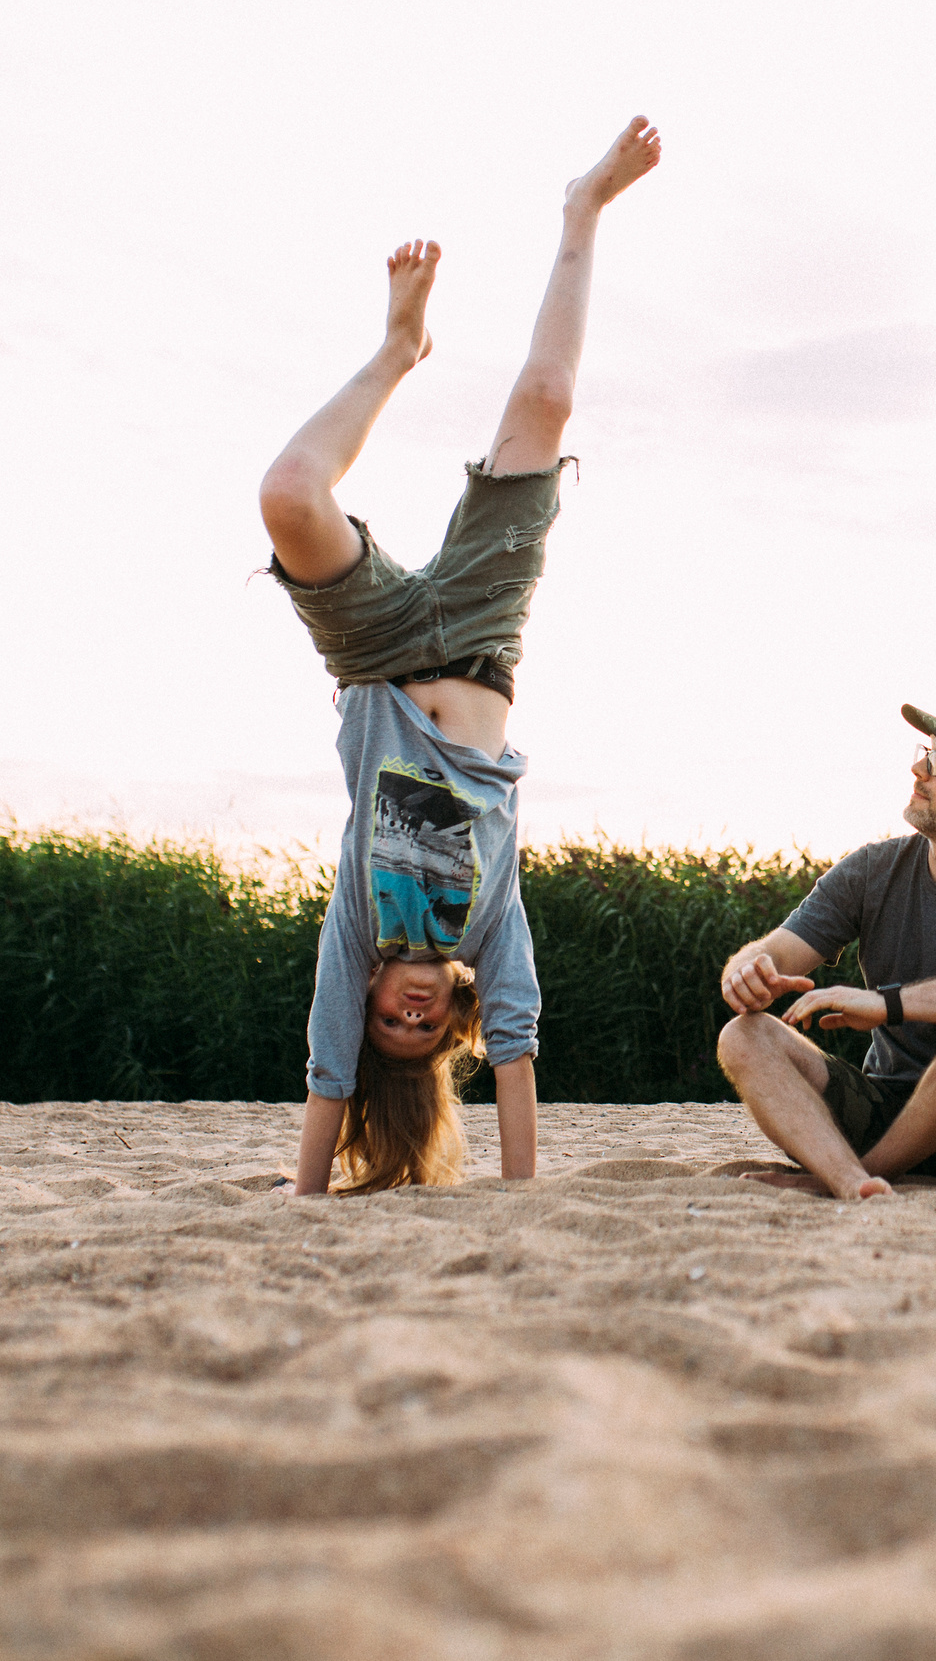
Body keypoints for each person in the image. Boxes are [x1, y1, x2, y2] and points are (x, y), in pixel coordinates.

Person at [258, 117, 661, 1194]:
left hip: (379, 655)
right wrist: (519, 1197)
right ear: (447, 1025)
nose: (405, 1014)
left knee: (289, 494)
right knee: (544, 404)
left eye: (386, 1019)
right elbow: (520, 1050)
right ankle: (583, 210)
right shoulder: (489, 923)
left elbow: (326, 1071)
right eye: (417, 1034)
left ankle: (396, 350)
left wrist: (306, 1191)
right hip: (482, 642)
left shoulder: (356, 923)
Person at [716, 701, 936, 1200]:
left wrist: (888, 1003)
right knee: (744, 1035)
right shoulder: (872, 871)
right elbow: (774, 953)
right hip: (886, 1107)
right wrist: (746, 973)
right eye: (926, 753)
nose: (918, 768)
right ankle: (853, 1181)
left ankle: (858, 1173)